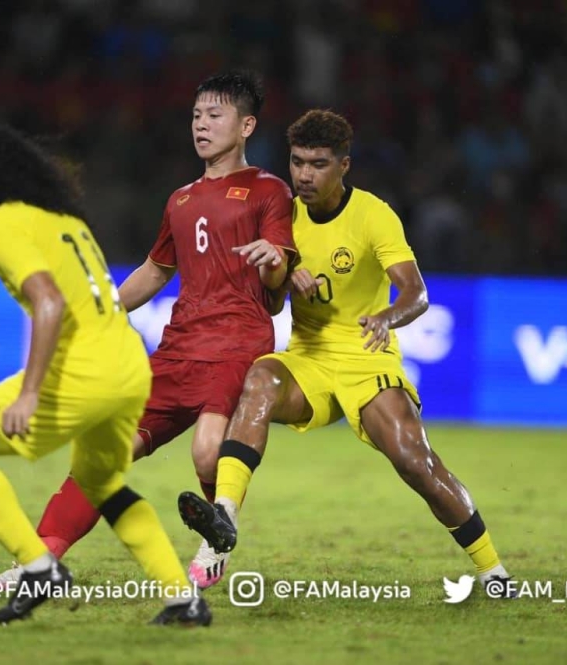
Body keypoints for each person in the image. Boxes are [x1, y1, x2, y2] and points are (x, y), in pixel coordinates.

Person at [0, 70, 296, 593]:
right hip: (176, 350)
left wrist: (272, 262)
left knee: (206, 450)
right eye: (196, 115)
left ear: (246, 126)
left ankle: (217, 540)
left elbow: (279, 266)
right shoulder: (181, 200)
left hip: (236, 343)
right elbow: (154, 271)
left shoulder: (268, 190)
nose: (201, 124)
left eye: (214, 115)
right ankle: (37, 565)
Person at [178, 110, 513, 592]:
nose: (304, 175)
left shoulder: (374, 215)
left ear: (344, 166)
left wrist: (386, 317)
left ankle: (493, 571)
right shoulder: (282, 215)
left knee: (415, 463)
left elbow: (416, 293)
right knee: (259, 381)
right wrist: (279, 274)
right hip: (308, 358)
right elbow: (270, 302)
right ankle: (222, 524)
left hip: (365, 359)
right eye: (297, 163)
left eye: (318, 164)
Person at [0, 119, 209, 626]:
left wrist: (30, 393)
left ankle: (38, 566)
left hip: (84, 372)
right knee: (101, 484)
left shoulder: (3, 223)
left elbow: (49, 302)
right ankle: (183, 598)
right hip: (129, 367)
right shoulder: (65, 220)